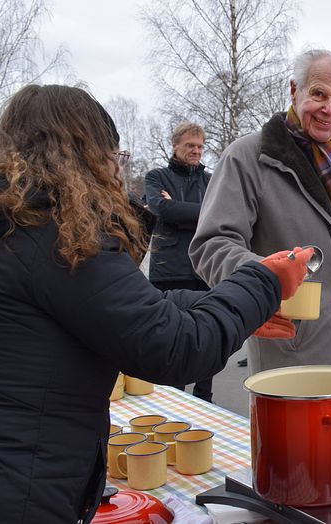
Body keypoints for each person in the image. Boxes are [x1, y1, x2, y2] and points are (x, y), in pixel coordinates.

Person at [0, 84, 312, 523]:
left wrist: (230, 304)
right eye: (112, 156)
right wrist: (263, 282)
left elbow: (130, 308)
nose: (115, 169)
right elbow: (176, 348)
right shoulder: (55, 236)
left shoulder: (19, 225)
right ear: (88, 154)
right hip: (26, 489)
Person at [189, 49, 331, 440]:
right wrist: (261, 285)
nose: (329, 109)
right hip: (298, 348)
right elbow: (212, 244)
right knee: (300, 472)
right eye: (318, 94)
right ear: (294, 90)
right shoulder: (249, 157)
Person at [145, 122, 216, 401]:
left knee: (208, 334)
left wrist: (178, 209)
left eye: (200, 146)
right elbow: (161, 209)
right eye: (190, 145)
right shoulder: (156, 176)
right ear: (175, 145)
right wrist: (200, 212)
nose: (196, 151)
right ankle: (175, 400)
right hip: (169, 270)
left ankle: (204, 398)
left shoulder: (211, 181)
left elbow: (219, 213)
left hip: (204, 268)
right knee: (173, 337)